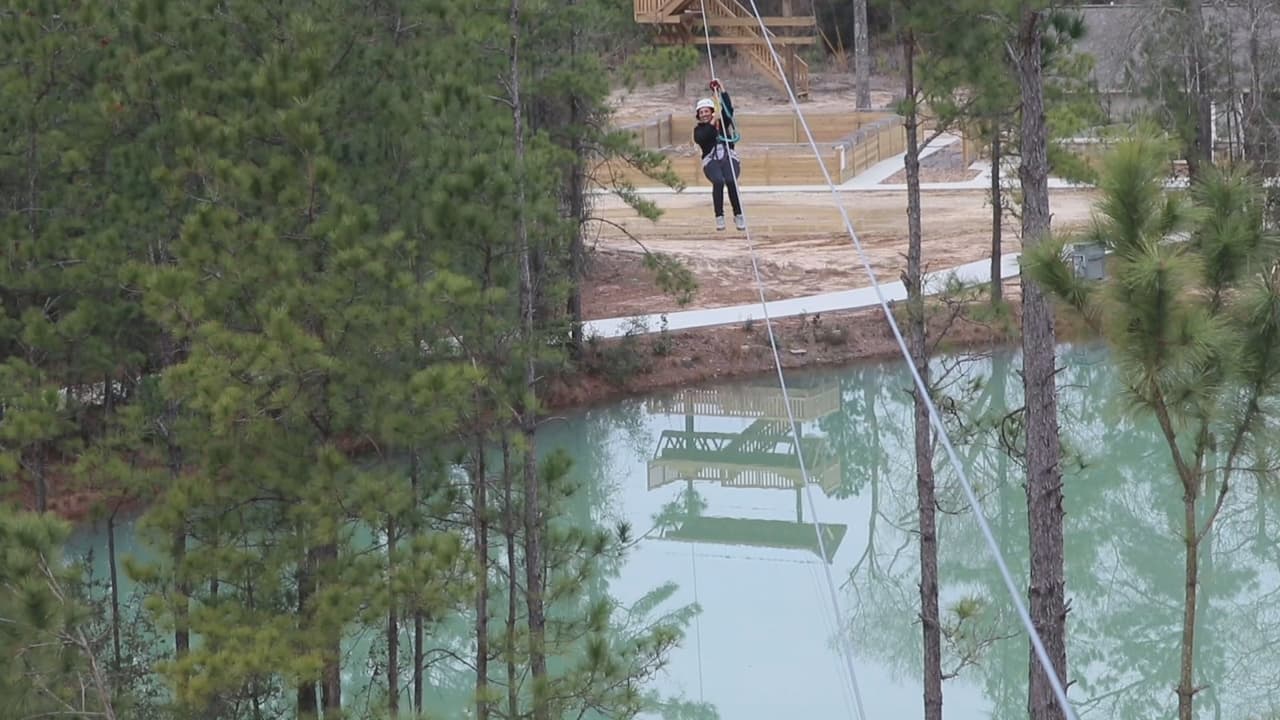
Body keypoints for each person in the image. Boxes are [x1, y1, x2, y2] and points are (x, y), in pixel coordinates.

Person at [693, 79, 745, 231]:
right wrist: (712, 122)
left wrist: (722, 89)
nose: (704, 115)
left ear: (711, 111)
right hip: (711, 161)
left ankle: (738, 214)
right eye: (701, 113)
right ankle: (719, 216)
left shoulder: (722, 122)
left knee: (730, 180)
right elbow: (703, 138)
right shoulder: (699, 130)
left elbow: (728, 108)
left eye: (706, 111)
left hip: (728, 156)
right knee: (719, 181)